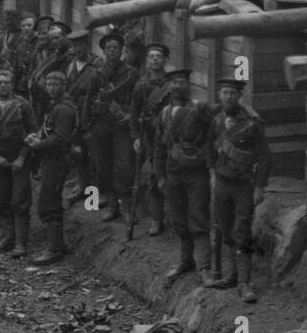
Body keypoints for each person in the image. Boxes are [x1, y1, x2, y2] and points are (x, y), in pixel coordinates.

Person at [206, 77, 271, 303]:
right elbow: (209, 150)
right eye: (224, 93)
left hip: (244, 185)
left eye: (232, 94)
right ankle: (231, 276)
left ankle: (245, 283)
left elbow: (264, 157)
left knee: (242, 230)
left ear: (239, 96)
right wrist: (213, 174)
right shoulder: (216, 121)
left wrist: (260, 187)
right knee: (224, 228)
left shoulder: (252, 123)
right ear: (219, 95)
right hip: (222, 183)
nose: (227, 97)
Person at [154, 68, 215, 284]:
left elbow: (215, 134)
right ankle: (185, 261)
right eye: (173, 82)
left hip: (196, 173)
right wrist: (160, 175)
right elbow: (159, 147)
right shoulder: (164, 113)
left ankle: (205, 267)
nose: (178, 86)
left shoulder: (199, 109)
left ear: (188, 85)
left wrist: (207, 159)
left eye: (181, 82)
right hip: (173, 173)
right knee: (178, 218)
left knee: (198, 217)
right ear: (168, 87)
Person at [24, 67, 78, 264]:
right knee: (52, 200)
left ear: (63, 86)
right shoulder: (56, 105)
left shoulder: (63, 109)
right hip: (51, 159)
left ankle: (54, 249)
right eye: (48, 84)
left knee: (48, 202)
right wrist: (37, 136)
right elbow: (49, 130)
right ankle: (58, 244)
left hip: (56, 160)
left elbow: (61, 139)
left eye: (55, 85)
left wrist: (39, 144)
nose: (51, 88)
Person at [0, 66, 37, 256]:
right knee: (1, 198)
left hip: (19, 159)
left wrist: (22, 157)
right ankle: (8, 237)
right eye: (0, 83)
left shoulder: (23, 105)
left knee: (20, 200)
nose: (3, 86)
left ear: (12, 85)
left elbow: (32, 132)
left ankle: (21, 243)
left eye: (7, 82)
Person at [83, 30, 138, 223]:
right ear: (104, 52)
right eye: (108, 48)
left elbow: (138, 101)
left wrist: (131, 115)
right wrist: (86, 128)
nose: (112, 51)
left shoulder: (131, 74)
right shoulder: (97, 75)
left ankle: (127, 205)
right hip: (101, 124)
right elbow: (89, 100)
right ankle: (113, 204)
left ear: (122, 51)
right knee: (103, 166)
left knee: (124, 165)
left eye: (116, 48)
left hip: (122, 125)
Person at [128, 42, 172, 236]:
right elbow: (134, 113)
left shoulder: (172, 84)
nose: (155, 59)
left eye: (159, 56)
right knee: (153, 178)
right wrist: (136, 137)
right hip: (150, 137)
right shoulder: (141, 85)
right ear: (147, 61)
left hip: (169, 136)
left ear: (164, 60)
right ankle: (157, 219)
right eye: (152, 56)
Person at [63, 28, 99, 206]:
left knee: (93, 155)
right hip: (74, 116)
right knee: (78, 153)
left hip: (90, 116)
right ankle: (82, 185)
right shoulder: (71, 66)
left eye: (81, 45)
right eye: (75, 46)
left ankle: (93, 199)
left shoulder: (96, 65)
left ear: (87, 45)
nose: (78, 49)